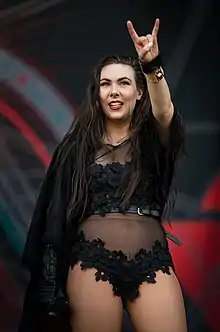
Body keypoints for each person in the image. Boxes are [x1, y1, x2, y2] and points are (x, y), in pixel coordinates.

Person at [18, 18, 187, 332]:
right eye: (106, 83)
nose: (114, 91)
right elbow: (53, 218)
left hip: (151, 258)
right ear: (97, 94)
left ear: (139, 94)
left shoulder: (153, 140)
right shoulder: (76, 147)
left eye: (124, 83)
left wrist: (151, 65)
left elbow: (165, 112)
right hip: (92, 259)